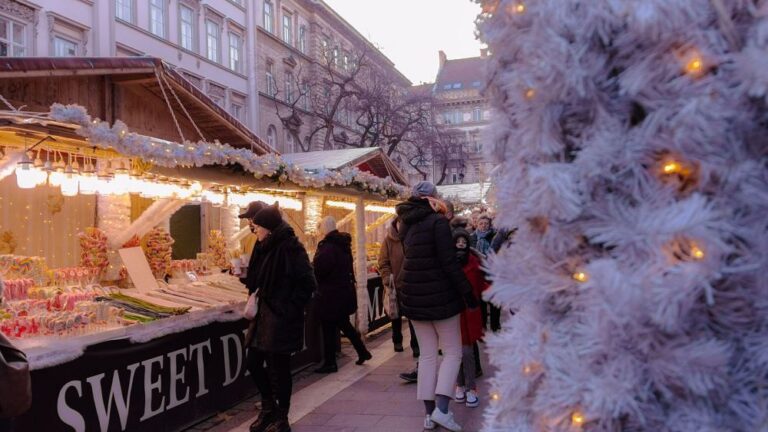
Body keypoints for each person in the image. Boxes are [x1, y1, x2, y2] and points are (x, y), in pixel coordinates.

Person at [396, 181, 478, 432]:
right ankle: (443, 410)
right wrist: (468, 293)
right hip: (441, 298)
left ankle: (429, 416)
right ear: (433, 199)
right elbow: (449, 263)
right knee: (452, 352)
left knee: (428, 356)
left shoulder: (405, 223)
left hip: (414, 297)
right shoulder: (438, 222)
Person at [244, 204, 317, 432]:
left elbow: (307, 283)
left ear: (268, 228)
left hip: (281, 318)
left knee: (279, 368)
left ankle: (281, 417)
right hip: (263, 318)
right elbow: (257, 279)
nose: (254, 230)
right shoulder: (263, 246)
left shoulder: (290, 248)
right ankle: (269, 409)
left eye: (258, 227)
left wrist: (288, 308)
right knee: (253, 362)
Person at [313, 216, 372, 373]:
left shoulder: (327, 247)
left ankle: (330, 362)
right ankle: (362, 352)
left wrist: (313, 265)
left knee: (328, 328)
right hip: (342, 292)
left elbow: (320, 270)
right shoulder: (342, 244)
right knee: (344, 325)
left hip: (330, 294)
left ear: (323, 229)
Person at [379, 217, 421, 383]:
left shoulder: (411, 239)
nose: (401, 226)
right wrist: (386, 278)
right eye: (399, 223)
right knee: (395, 315)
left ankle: (415, 345)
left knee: (412, 317)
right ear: (395, 225)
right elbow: (382, 262)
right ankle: (397, 341)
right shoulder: (388, 241)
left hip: (410, 283)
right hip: (394, 284)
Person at [451, 229, 487, 408]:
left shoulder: (474, 261)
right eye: (457, 243)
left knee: (467, 353)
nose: (460, 245)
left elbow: (482, 284)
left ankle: (471, 388)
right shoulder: (448, 263)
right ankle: (460, 385)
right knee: (456, 353)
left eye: (463, 243)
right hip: (453, 313)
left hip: (470, 313)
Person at [470, 214, 501, 332]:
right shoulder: (472, 237)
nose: (483, 226)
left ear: (490, 225)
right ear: (477, 224)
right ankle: (482, 325)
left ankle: (495, 325)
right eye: (481, 223)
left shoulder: (495, 236)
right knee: (481, 300)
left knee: (495, 300)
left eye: (486, 224)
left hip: (493, 271)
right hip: (478, 272)